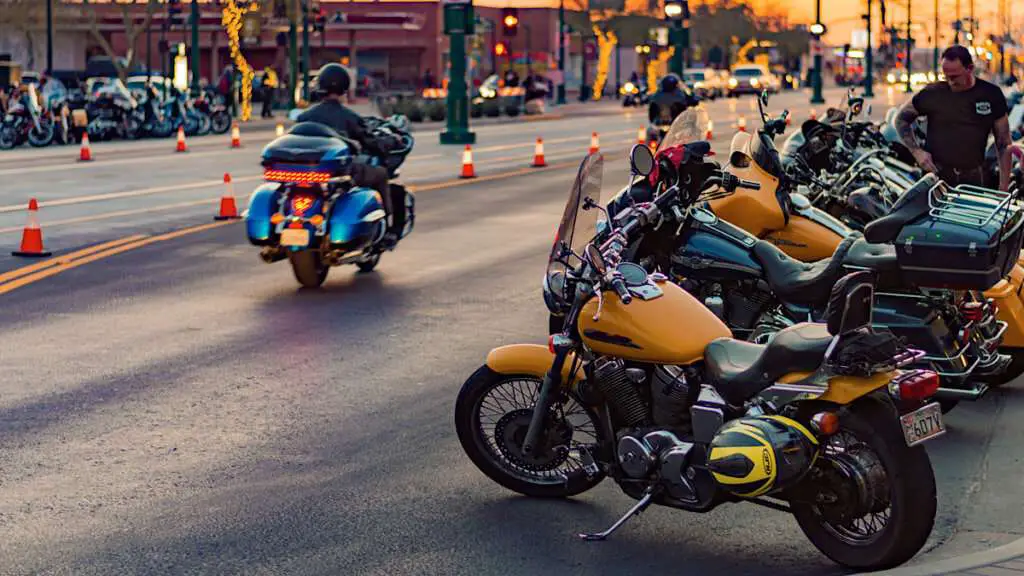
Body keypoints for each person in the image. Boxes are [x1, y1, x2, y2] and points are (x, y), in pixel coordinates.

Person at [296, 63, 405, 247]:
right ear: (344, 88)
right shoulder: (349, 117)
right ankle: (385, 226)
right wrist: (394, 141)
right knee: (380, 174)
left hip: (307, 172)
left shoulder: (304, 116)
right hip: (339, 173)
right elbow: (371, 141)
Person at [895, 45, 1013, 190]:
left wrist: (1003, 187)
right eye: (946, 76)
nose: (950, 82)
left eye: (954, 76)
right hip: (935, 178)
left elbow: (1003, 144)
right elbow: (901, 119)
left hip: (972, 179)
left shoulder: (991, 94)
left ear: (969, 68)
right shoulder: (933, 93)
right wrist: (917, 152)